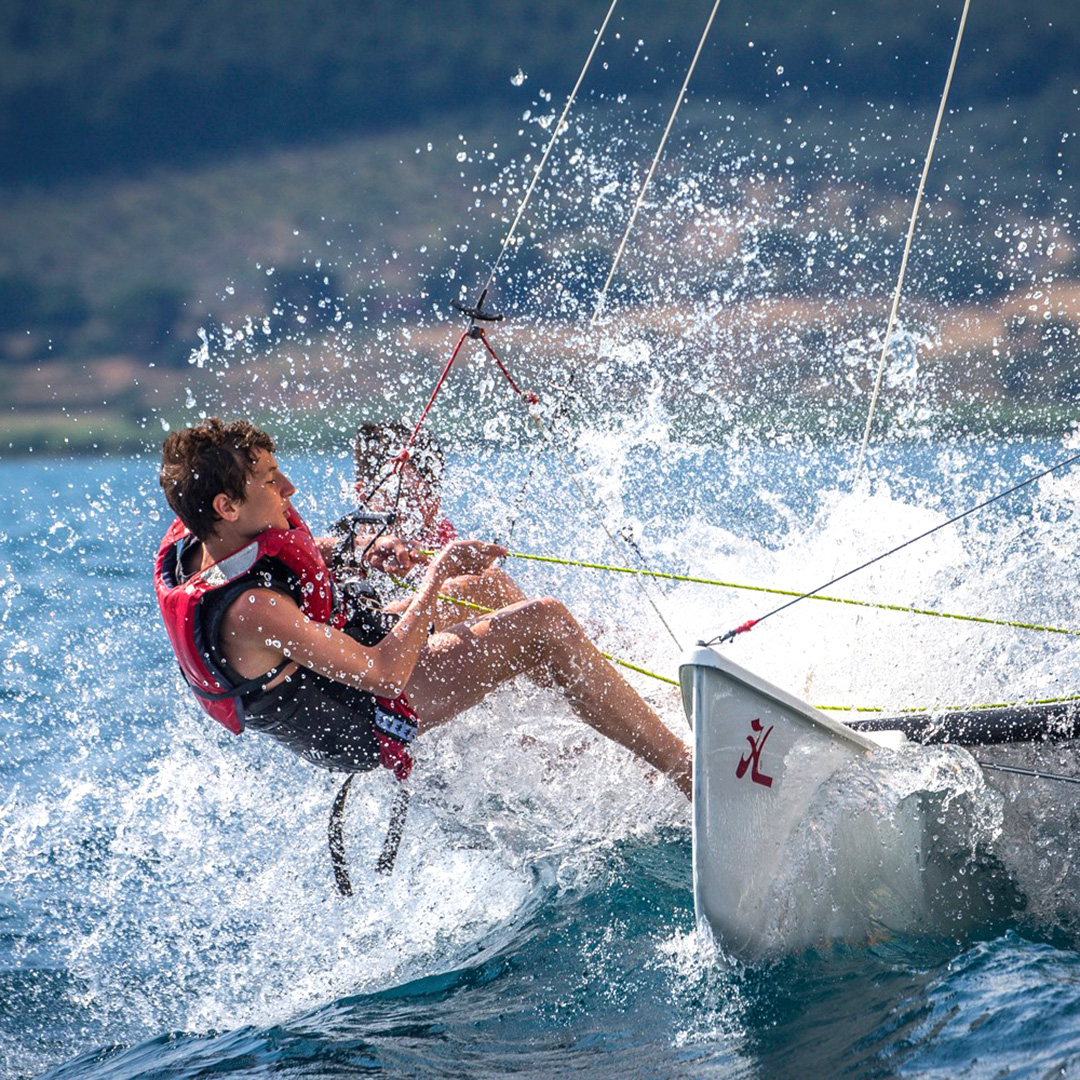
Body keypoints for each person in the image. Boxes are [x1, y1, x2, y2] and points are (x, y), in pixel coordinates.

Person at [154, 417, 691, 798]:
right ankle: (686, 773)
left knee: (486, 588)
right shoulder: (250, 612)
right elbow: (385, 675)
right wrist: (437, 575)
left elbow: (286, 560)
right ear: (227, 506)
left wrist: (357, 549)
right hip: (365, 717)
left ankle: (633, 699)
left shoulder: (203, 531)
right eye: (272, 480)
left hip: (353, 651)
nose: (289, 488)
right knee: (543, 623)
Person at [352, 419, 527, 626]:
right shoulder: (343, 546)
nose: (421, 508)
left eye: (428, 494)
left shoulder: (436, 532)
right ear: (364, 493)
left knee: (493, 581)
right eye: (405, 496)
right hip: (376, 635)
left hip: (420, 629)